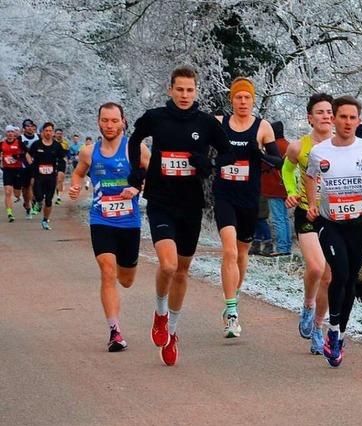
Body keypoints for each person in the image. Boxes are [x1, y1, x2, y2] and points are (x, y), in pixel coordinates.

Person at [127, 65, 233, 366]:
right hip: (161, 200)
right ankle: (160, 312)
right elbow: (134, 140)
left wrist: (208, 164)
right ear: (170, 90)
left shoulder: (206, 123)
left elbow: (229, 154)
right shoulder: (155, 118)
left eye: (190, 90)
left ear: (195, 91)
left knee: (183, 271)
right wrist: (137, 171)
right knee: (169, 264)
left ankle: (172, 332)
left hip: (190, 204)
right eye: (180, 89)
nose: (185, 95)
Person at [305, 95, 362, 367]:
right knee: (339, 272)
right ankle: (332, 328)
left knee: (351, 279)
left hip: (358, 224)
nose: (347, 122)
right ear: (333, 119)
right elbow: (310, 177)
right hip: (329, 223)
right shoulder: (320, 152)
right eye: (342, 117)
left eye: (352, 117)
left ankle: (338, 334)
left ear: (359, 120)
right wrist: (312, 204)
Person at [69, 102, 150, 352]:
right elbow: (79, 172)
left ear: (123, 122)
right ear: (98, 122)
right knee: (107, 272)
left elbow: (152, 175)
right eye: (105, 120)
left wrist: (137, 187)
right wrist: (74, 185)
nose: (110, 125)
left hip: (129, 221)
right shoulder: (88, 151)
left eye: (114, 121)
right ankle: (115, 331)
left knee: (125, 279)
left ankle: (124, 275)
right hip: (101, 219)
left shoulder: (136, 150)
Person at [214, 77, 282, 338]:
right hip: (224, 195)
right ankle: (231, 313)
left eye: (247, 98)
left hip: (249, 198)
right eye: (238, 97)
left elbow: (278, 161)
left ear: (253, 101)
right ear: (232, 100)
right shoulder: (219, 124)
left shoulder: (262, 127)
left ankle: (234, 292)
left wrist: (261, 155)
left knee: (242, 254)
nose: (243, 102)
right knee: (229, 251)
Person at [282, 93, 334, 354]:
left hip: (333, 216)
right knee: (315, 267)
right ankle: (307, 304)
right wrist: (291, 191)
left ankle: (317, 326)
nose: (326, 116)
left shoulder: (341, 146)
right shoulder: (298, 146)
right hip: (307, 213)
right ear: (310, 118)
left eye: (329, 112)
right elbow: (287, 169)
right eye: (320, 112)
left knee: (329, 277)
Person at [29, 122, 66, 230]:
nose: (49, 133)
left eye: (50, 131)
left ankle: (45, 220)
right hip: (38, 175)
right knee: (39, 196)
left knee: (49, 199)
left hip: (51, 176)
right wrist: (31, 166)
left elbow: (62, 160)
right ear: (42, 132)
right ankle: (38, 202)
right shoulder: (36, 144)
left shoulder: (57, 146)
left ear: (53, 133)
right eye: (46, 131)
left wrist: (61, 172)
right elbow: (28, 154)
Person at [263, 121, 291, 256]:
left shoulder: (273, 147)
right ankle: (287, 246)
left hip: (274, 187)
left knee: (278, 218)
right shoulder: (288, 145)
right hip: (286, 187)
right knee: (285, 218)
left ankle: (282, 248)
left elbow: (265, 164)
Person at [1, 125, 28, 222]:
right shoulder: (2, 144)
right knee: (8, 192)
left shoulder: (19, 143)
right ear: (6, 133)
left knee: (17, 193)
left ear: (14, 133)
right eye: (8, 132)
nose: (10, 134)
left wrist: (18, 156)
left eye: (11, 132)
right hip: (7, 170)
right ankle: (9, 213)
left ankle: (20, 198)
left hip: (18, 170)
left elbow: (27, 153)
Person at [20, 119, 39, 218]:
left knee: (34, 183)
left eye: (31, 126)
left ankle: (33, 201)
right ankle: (27, 205)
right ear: (24, 128)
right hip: (23, 166)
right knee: (25, 188)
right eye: (27, 126)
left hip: (36, 165)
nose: (30, 128)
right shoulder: (20, 138)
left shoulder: (38, 137)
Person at [53, 128, 70, 205]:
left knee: (60, 179)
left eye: (60, 133)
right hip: (52, 162)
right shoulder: (51, 142)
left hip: (61, 162)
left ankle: (58, 197)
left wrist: (68, 159)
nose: (59, 135)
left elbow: (68, 153)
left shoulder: (65, 143)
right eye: (58, 133)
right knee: (54, 180)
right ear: (55, 134)